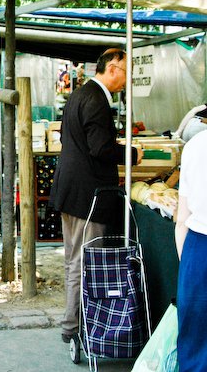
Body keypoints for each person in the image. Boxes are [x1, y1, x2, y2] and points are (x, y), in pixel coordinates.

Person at [49, 48, 142, 344]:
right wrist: (132, 154)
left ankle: (74, 321)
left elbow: (72, 139)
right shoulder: (97, 99)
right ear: (113, 69)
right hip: (87, 193)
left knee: (74, 259)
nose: (127, 80)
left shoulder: (80, 93)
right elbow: (100, 148)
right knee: (84, 261)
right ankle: (74, 326)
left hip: (72, 189)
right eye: (126, 72)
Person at [175, 127, 207, 370]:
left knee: (195, 342)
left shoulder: (195, 145)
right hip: (197, 243)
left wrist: (185, 263)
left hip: (197, 248)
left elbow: (181, 219)